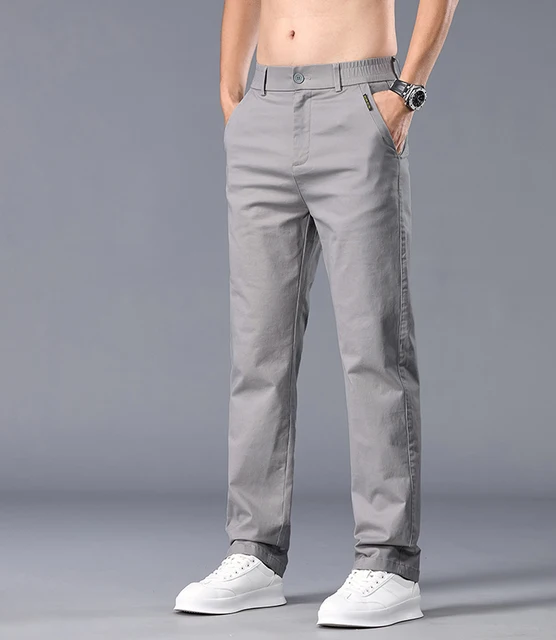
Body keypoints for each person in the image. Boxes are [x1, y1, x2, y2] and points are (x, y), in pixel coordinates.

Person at [175, 0, 459, 628]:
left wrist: (405, 93)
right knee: (258, 353)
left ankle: (388, 562)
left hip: (358, 101)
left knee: (374, 347)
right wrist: (232, 95)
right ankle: (254, 552)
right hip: (264, 107)